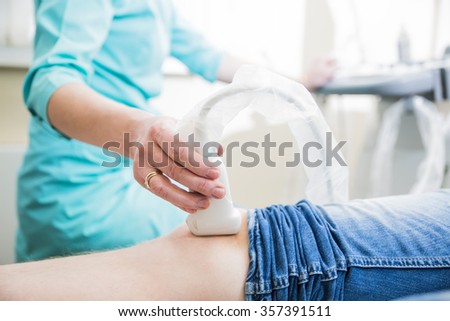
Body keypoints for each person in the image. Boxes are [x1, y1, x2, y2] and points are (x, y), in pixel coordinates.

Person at [17, 0, 336, 262]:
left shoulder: (159, 7)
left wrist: (296, 83)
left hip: (129, 174)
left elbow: (211, 58)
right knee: (234, 253)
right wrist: (138, 130)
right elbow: (51, 80)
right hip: (78, 187)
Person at [2, 190, 449, 301]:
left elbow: (208, 56)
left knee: (260, 249)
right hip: (76, 199)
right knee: (269, 246)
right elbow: (54, 78)